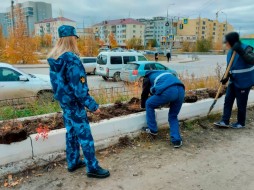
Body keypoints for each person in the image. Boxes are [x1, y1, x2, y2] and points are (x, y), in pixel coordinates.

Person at [47, 25, 110, 178]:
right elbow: (79, 89)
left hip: (65, 103)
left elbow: (58, 85)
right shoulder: (72, 60)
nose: (76, 40)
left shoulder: (55, 59)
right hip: (75, 104)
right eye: (75, 38)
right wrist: (93, 106)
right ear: (71, 39)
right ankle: (92, 167)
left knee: (72, 133)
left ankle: (73, 161)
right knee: (85, 136)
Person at [214, 32, 254, 129]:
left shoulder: (246, 48)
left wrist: (240, 51)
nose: (226, 44)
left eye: (227, 42)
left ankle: (241, 122)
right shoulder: (230, 52)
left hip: (244, 81)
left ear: (232, 42)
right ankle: (225, 121)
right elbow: (229, 67)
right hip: (233, 80)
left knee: (241, 103)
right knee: (228, 100)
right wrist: (226, 77)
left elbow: (251, 60)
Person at [141, 70, 185, 148]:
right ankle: (176, 141)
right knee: (173, 116)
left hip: (169, 91)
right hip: (181, 90)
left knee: (149, 103)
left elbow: (145, 93)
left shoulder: (147, 78)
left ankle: (152, 129)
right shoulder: (164, 73)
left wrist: (143, 105)